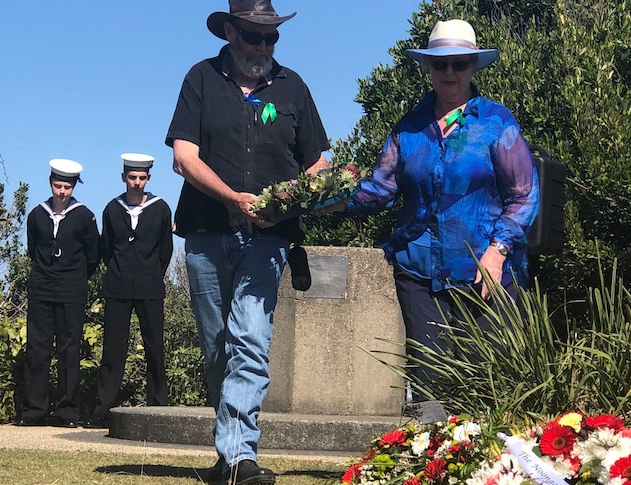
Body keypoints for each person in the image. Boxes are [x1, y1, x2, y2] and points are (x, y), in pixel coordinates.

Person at [328, 19, 539, 397]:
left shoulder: (496, 123)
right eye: (440, 63)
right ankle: (432, 455)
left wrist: (497, 251)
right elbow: (381, 188)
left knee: (486, 386)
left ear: (473, 67)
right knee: (428, 386)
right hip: (419, 273)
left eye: (459, 63)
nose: (449, 71)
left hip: (485, 275)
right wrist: (325, 204)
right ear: (428, 67)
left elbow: (524, 195)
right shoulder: (408, 128)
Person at [165, 1, 331, 482]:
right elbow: (183, 158)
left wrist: (321, 188)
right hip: (205, 231)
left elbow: (315, 162)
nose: (263, 46)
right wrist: (232, 197)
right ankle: (228, 456)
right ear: (231, 33)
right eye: (254, 36)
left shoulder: (293, 86)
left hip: (269, 238)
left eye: (271, 37)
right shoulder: (200, 78)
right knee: (219, 348)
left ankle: (240, 457)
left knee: (251, 339)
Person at [86, 153, 174, 429]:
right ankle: (104, 409)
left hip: (150, 287)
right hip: (118, 287)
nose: (137, 182)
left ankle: (158, 406)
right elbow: (107, 249)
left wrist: (150, 274)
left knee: (154, 347)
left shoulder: (161, 209)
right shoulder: (112, 209)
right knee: (113, 350)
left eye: (142, 178)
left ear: (148, 179)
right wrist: (120, 271)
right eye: (132, 177)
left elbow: (165, 250)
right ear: (124, 178)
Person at [18, 159, 99, 428]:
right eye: (57, 185)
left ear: (74, 187)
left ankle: (67, 412)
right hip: (41, 288)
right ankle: (34, 411)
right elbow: (33, 251)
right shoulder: (36, 215)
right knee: (37, 350)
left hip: (71, 290)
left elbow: (92, 257)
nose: (62, 191)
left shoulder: (84, 216)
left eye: (67, 186)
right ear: (50, 184)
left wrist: (73, 277)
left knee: (68, 351)